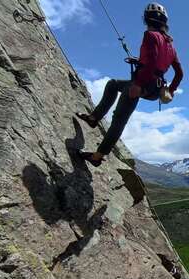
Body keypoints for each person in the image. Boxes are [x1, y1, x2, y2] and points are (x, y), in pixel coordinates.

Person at [76, 2, 183, 167]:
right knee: (113, 84)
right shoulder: (170, 45)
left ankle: (97, 156)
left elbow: (153, 62)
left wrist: (138, 84)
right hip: (155, 88)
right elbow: (179, 73)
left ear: (146, 19)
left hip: (142, 84)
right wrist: (170, 90)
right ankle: (93, 118)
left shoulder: (150, 35)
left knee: (119, 119)